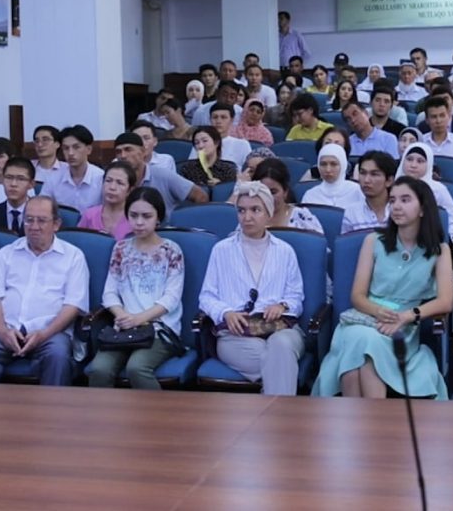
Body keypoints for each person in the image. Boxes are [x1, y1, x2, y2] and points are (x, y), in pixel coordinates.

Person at [312, 176, 453, 400]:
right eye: (393, 200)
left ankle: (362, 419)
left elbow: (445, 302)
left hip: (403, 326)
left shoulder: (440, 250)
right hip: (365, 317)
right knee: (361, 343)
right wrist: (379, 312)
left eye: (405, 200)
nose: (396, 206)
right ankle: (371, 419)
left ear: (422, 209)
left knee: (364, 351)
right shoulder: (374, 240)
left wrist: (407, 316)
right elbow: (357, 296)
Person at [0, 196, 89, 386]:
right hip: (6, 329)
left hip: (50, 332)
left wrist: (44, 334)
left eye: (42, 220)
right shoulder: (6, 253)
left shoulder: (73, 257)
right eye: (29, 220)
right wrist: (2, 331)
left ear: (56, 224)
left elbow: (72, 306)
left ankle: (53, 407)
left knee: (58, 357)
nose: (34, 226)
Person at [200, 181, 305, 395]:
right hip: (235, 334)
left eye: (255, 210)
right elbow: (206, 297)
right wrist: (226, 312)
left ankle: (271, 412)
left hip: (281, 329)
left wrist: (282, 306)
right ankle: (282, 413)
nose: (247, 217)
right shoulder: (221, 250)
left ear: (268, 213)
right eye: (241, 210)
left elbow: (296, 296)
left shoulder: (285, 251)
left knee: (281, 346)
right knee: (279, 361)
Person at [87, 187, 184, 390]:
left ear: (158, 218)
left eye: (146, 216)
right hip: (125, 327)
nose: (139, 222)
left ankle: (158, 412)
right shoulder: (121, 248)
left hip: (159, 328)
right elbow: (110, 293)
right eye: (133, 215)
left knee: (137, 368)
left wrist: (139, 319)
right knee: (99, 369)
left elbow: (171, 298)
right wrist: (122, 316)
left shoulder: (171, 250)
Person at [116, 132, 207, 216]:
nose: (123, 156)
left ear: (143, 151)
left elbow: (200, 196)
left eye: (128, 150)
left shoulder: (163, 175)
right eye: (118, 152)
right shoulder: (114, 181)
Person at [397, 143, 453, 241]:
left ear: (429, 164)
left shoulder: (438, 189)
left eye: (420, 161)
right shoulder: (394, 188)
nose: (413, 165)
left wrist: (443, 239)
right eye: (409, 159)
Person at [252, 159, 324, 233]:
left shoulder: (302, 218)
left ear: (285, 191)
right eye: (263, 191)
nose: (268, 197)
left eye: (273, 192)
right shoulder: (249, 218)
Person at [42, 124, 104, 211]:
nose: (70, 153)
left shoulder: (101, 178)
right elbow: (42, 207)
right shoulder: (53, 178)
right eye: (66, 148)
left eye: (76, 147)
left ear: (89, 149)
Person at [79, 161, 137, 240]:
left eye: (120, 183)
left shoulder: (135, 219)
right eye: (108, 181)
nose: (112, 187)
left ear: (130, 190)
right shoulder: (89, 215)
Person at [341, 151, 397, 234]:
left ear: (389, 181)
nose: (366, 180)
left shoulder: (399, 209)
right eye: (363, 173)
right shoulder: (351, 212)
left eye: (374, 174)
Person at [0, 157, 36, 234]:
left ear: (31, 184)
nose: (13, 184)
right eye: (9, 178)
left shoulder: (40, 214)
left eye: (21, 179)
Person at [301, 143, 364, 209]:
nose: (328, 169)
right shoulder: (310, 195)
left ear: (343, 165)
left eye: (333, 164)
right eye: (323, 164)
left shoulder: (357, 191)